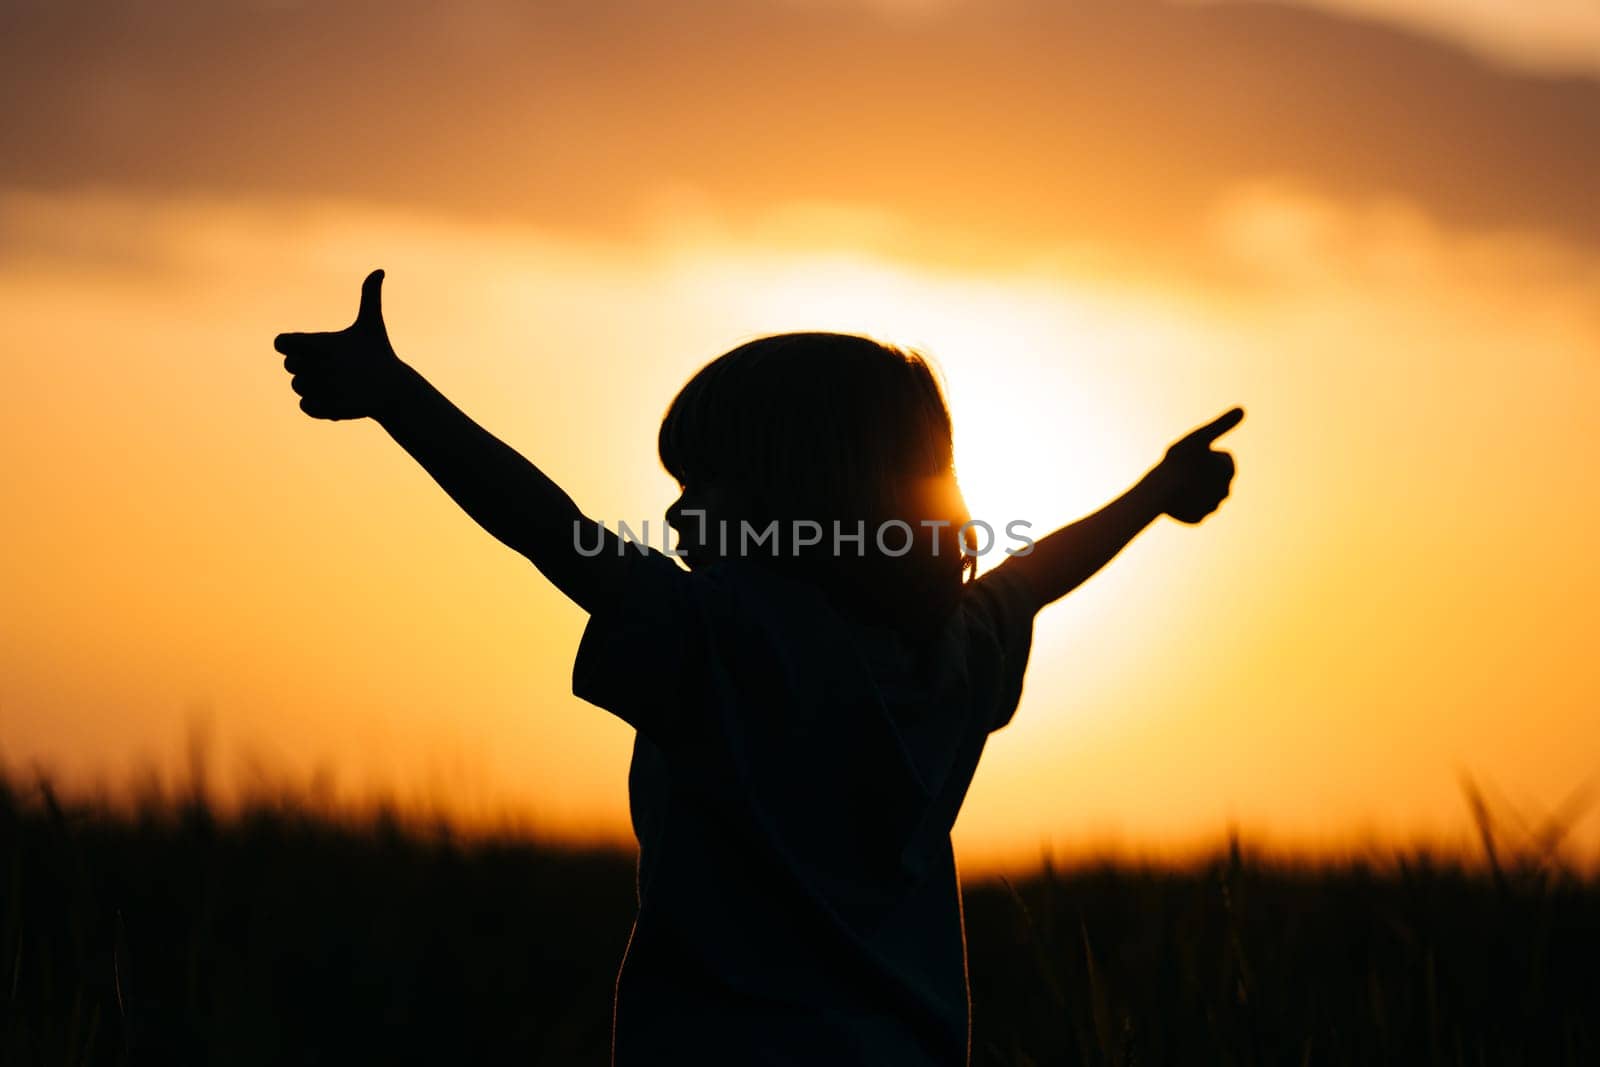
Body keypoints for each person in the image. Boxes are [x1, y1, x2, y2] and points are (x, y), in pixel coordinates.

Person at [273, 270, 1242, 1065]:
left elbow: (549, 529)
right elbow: (1037, 573)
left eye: (704, 484)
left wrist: (398, 398)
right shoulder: (951, 649)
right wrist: (1154, 490)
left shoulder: (719, 631)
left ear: (798, 490)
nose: (681, 513)